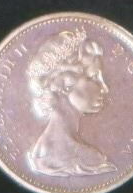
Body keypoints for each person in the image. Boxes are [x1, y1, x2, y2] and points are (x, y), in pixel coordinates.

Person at [25, 28, 117, 177]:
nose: (104, 88)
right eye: (93, 77)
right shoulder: (88, 158)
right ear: (65, 84)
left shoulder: (41, 151)